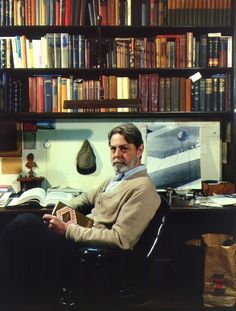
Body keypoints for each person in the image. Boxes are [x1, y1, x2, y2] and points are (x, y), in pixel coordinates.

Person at [0, 123, 160, 310]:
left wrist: (68, 230)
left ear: (139, 150)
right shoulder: (116, 179)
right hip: (80, 240)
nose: (117, 155)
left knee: (24, 225)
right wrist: (58, 211)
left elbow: (120, 239)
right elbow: (85, 198)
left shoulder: (142, 188)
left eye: (124, 149)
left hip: (92, 255)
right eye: (113, 149)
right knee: (21, 239)